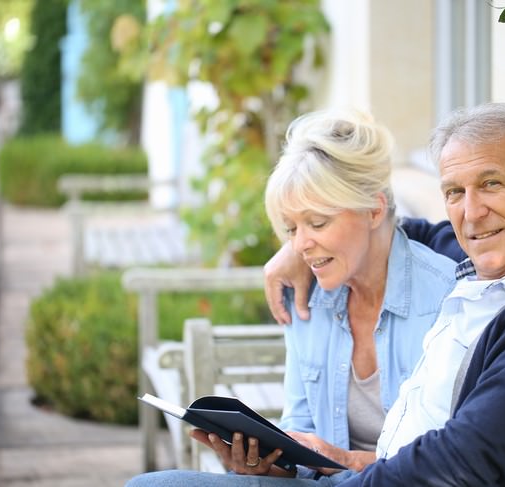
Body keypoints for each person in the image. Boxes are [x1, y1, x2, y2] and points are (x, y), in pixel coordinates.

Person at [127, 102, 505, 487]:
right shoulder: (493, 261)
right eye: (454, 191)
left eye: (491, 184)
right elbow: (411, 234)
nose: (472, 214)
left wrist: (347, 473)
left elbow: (465, 457)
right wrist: (305, 247)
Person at [127, 108, 457, 484]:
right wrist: (268, 462)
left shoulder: (445, 300)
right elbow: (299, 427)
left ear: (374, 210)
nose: (300, 245)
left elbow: (452, 454)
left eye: (317, 223)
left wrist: (347, 460)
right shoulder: (307, 296)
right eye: (291, 229)